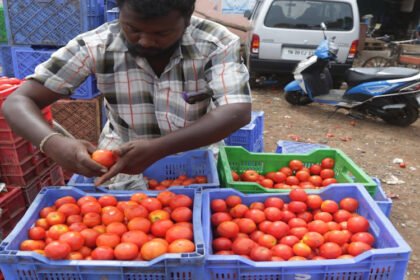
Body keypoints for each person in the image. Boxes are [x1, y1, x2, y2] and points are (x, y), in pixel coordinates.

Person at [2, 0, 252, 189]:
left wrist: (159, 148)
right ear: (119, 14)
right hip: (119, 160)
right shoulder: (96, 45)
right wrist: (54, 144)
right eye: (132, 29)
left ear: (187, 20)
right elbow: (19, 101)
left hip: (195, 160)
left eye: (161, 34)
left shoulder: (216, 43)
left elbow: (236, 111)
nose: (145, 41)